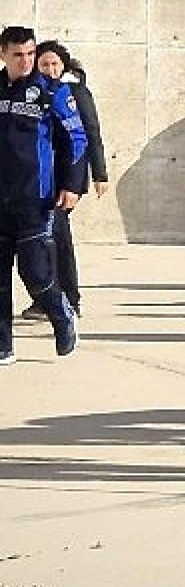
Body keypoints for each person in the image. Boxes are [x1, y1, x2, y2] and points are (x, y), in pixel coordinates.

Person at [0, 26, 86, 366]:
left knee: (35, 272)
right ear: (3, 54)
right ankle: (3, 346)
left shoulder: (52, 91)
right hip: (0, 198)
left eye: (30, 54)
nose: (26, 61)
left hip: (36, 198)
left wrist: (72, 185)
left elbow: (77, 140)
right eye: (18, 55)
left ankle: (62, 315)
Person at [16, 41, 107, 320]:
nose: (50, 69)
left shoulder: (76, 93)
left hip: (65, 178)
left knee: (57, 238)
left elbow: (89, 134)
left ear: (63, 66)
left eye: (55, 64)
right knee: (37, 242)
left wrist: (98, 175)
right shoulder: (30, 93)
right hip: (36, 179)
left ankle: (69, 299)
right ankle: (45, 300)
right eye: (44, 64)